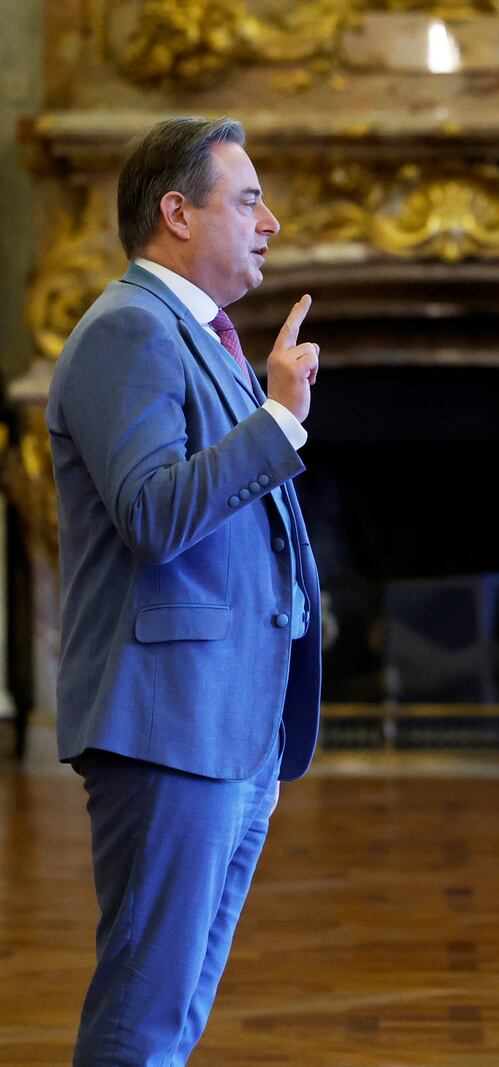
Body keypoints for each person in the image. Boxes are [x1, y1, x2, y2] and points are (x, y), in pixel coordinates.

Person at [47, 115, 323, 1064]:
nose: (270, 221)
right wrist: (280, 419)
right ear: (177, 212)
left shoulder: (197, 334)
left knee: (173, 1010)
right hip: (167, 722)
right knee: (145, 1007)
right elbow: (155, 515)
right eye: (247, 200)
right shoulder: (130, 330)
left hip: (226, 726)